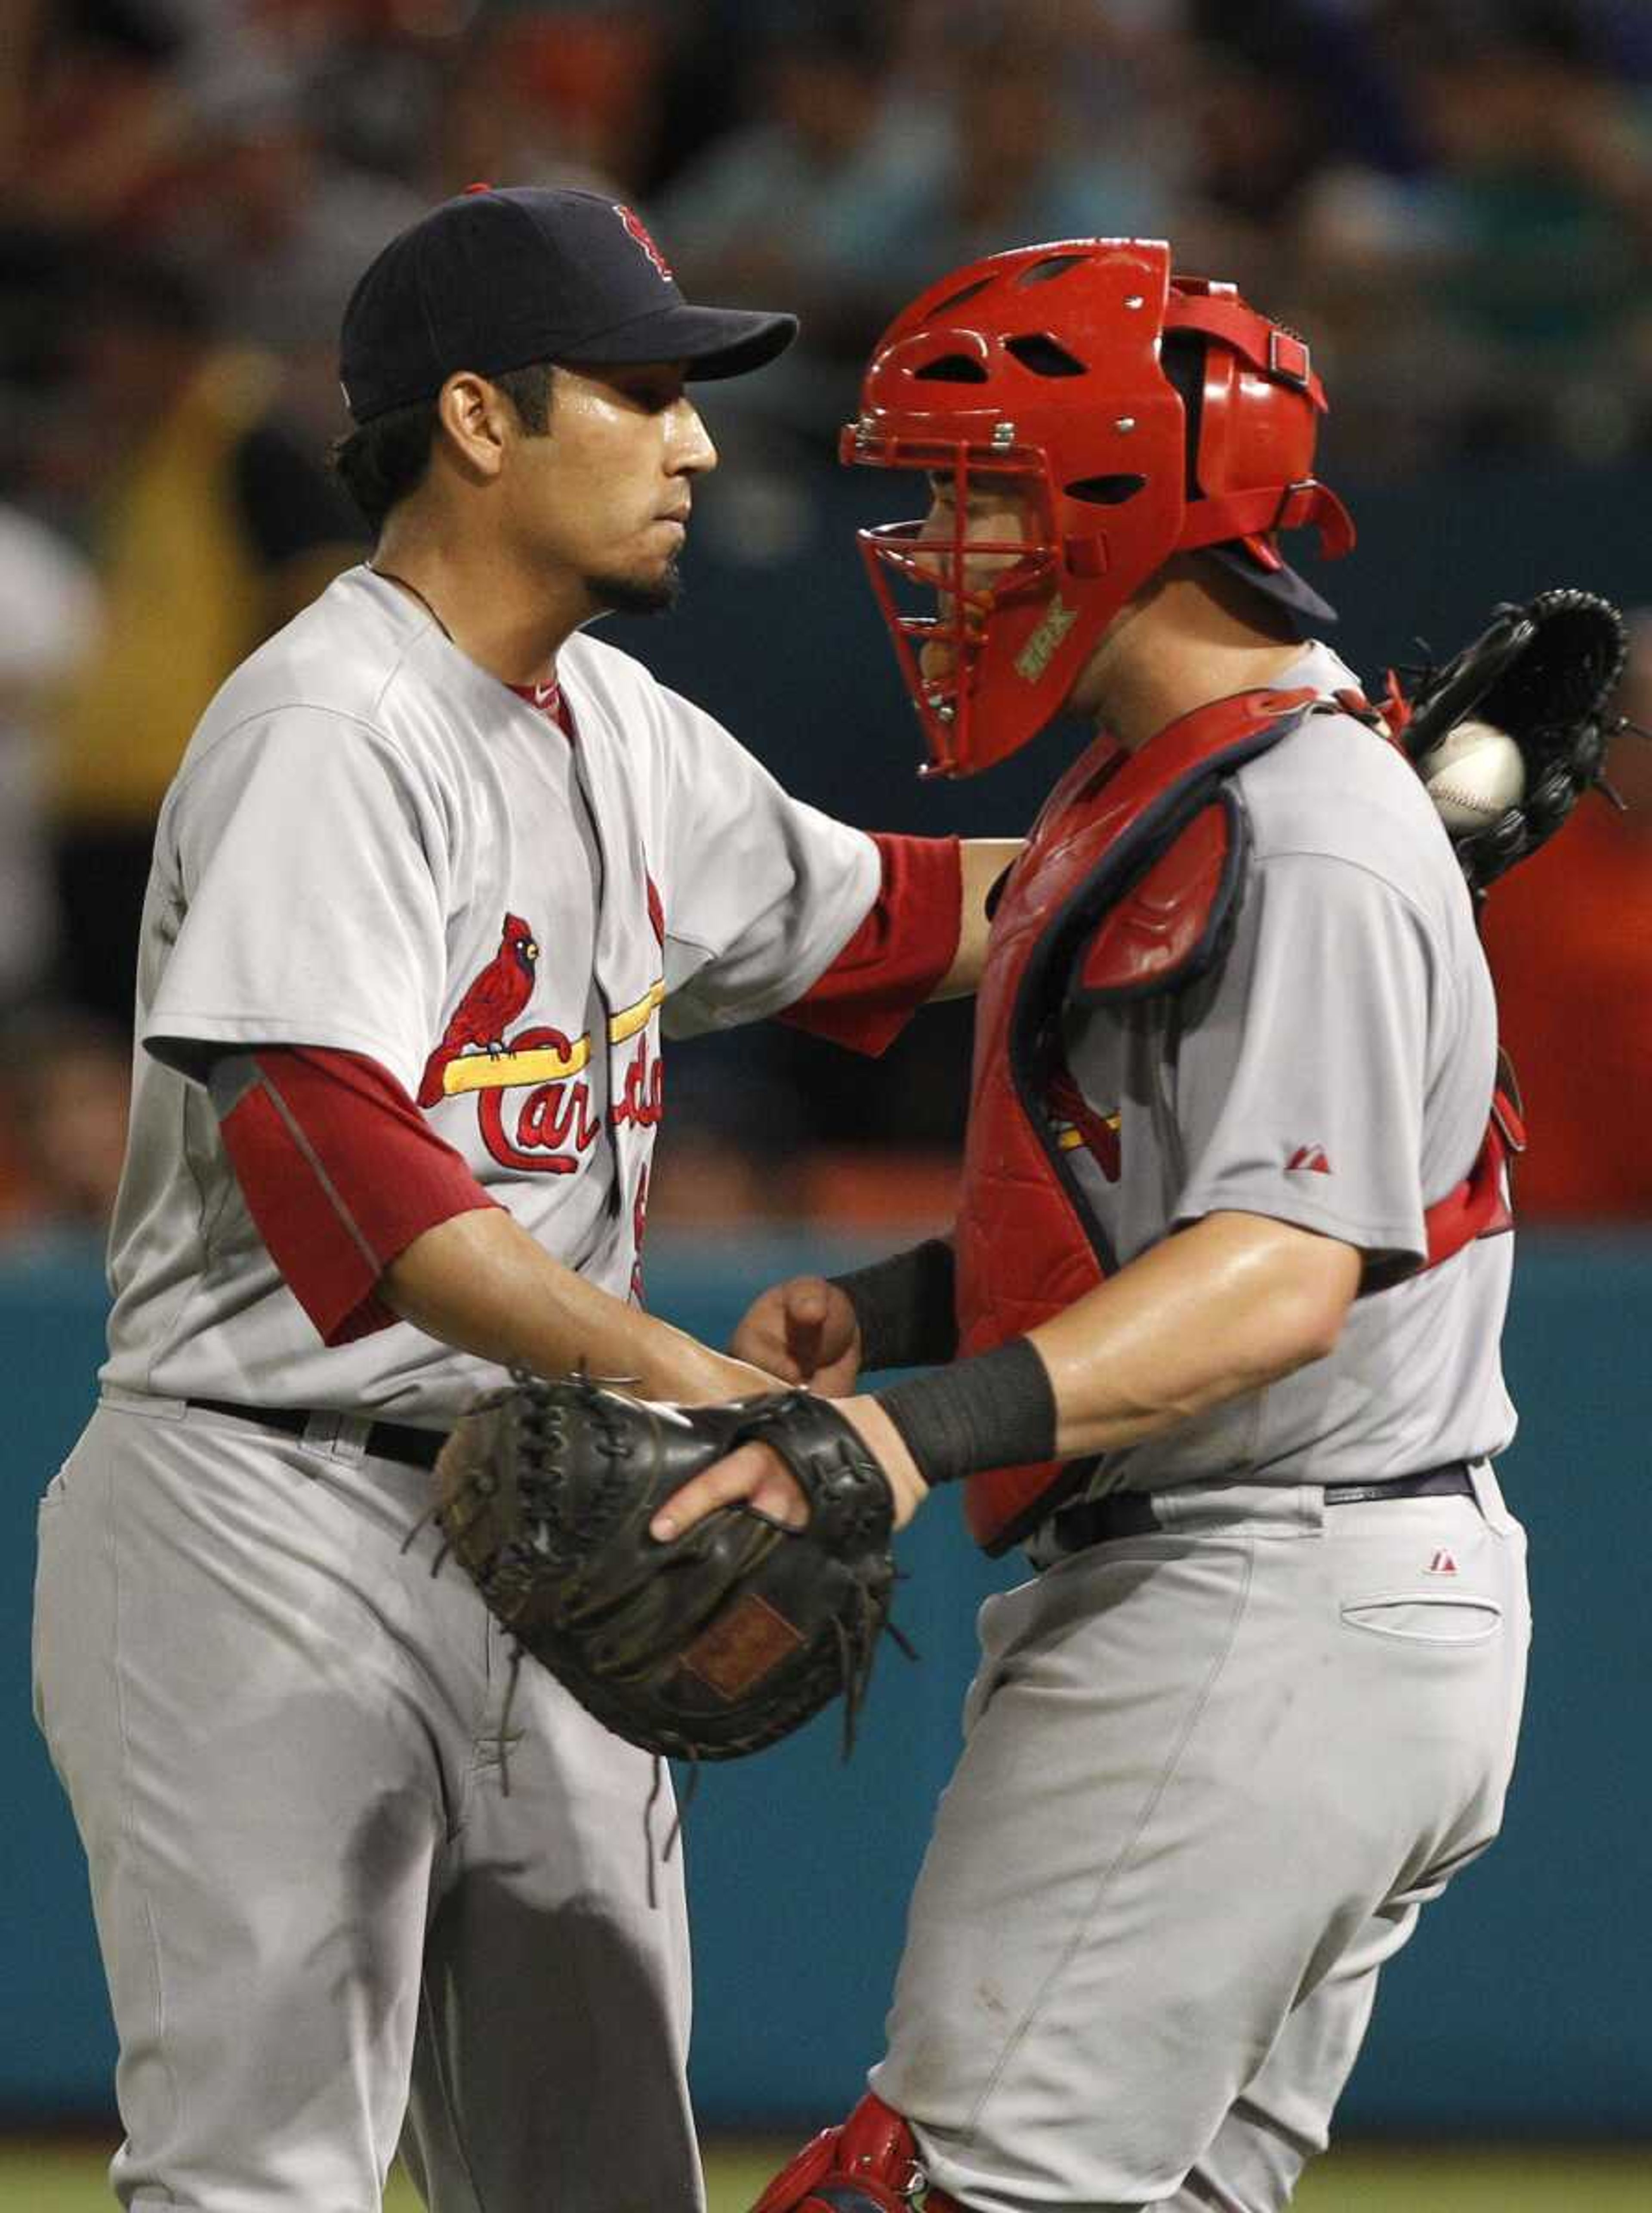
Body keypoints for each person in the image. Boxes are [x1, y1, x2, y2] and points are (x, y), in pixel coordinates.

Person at [30, 184, 1013, 2213]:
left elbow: (924, 920)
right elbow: (349, 1163)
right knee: (260, 2174)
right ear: (479, 418)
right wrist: (694, 1381)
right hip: (263, 1517)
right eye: (648, 392)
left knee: (597, 2181)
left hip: (534, 1509)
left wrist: (1283, 796)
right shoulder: (329, 721)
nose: (699, 443)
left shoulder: (620, 722)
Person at [660, 239, 1532, 2212]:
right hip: (1302, 1595)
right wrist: (883, 1315)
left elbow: (1277, 1279)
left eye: (983, 490)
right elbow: (1158, 1224)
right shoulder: (1194, 785)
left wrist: (909, 1430)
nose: (945, 544)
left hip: (1255, 1594)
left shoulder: (1302, 825)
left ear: (1121, 497)